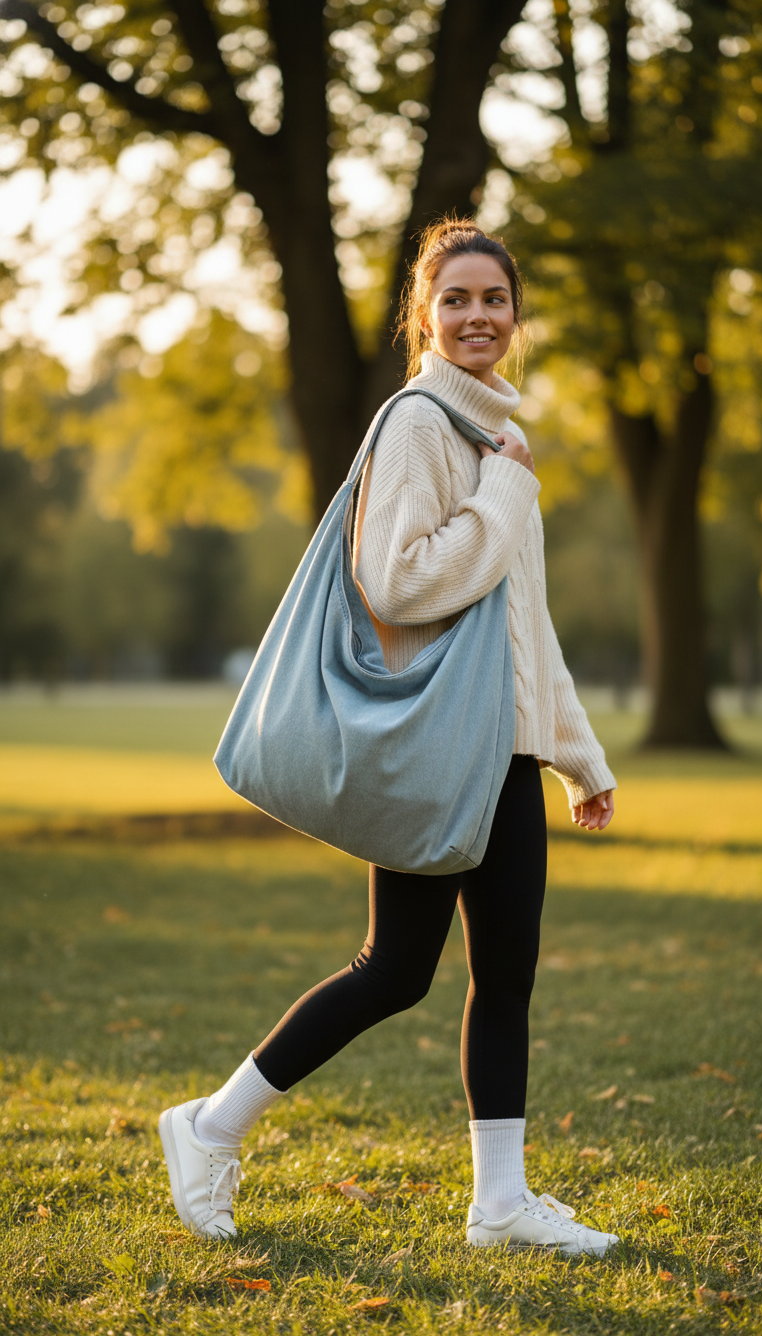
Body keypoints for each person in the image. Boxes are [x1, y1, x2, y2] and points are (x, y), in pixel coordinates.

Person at [159, 218, 619, 1255]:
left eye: (494, 299)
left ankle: (500, 1204)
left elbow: (525, 626)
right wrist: (507, 490)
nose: (477, 316)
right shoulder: (419, 424)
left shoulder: (498, 437)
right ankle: (210, 1125)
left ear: (516, 314)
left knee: (506, 976)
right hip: (439, 749)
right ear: (425, 314)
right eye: (456, 299)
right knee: (397, 970)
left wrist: (576, 754)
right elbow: (396, 582)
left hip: (505, 754)